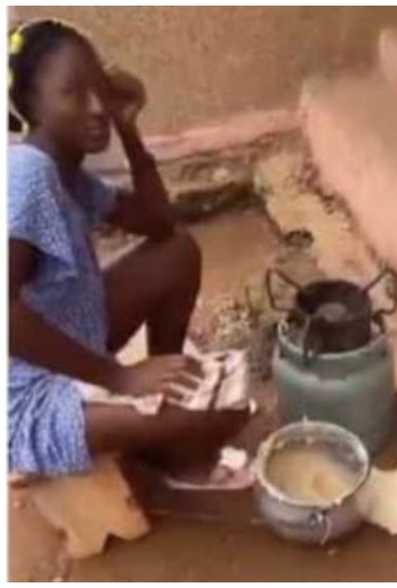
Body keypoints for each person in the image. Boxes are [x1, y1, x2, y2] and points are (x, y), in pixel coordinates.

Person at [8, 19, 249, 490]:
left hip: (76, 341)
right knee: (222, 414)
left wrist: (130, 130)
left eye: (100, 88)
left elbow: (161, 224)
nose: (97, 107)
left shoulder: (69, 175)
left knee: (177, 253)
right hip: (28, 399)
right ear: (32, 105)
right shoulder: (28, 174)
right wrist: (119, 377)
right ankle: (166, 441)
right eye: (74, 93)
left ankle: (159, 407)